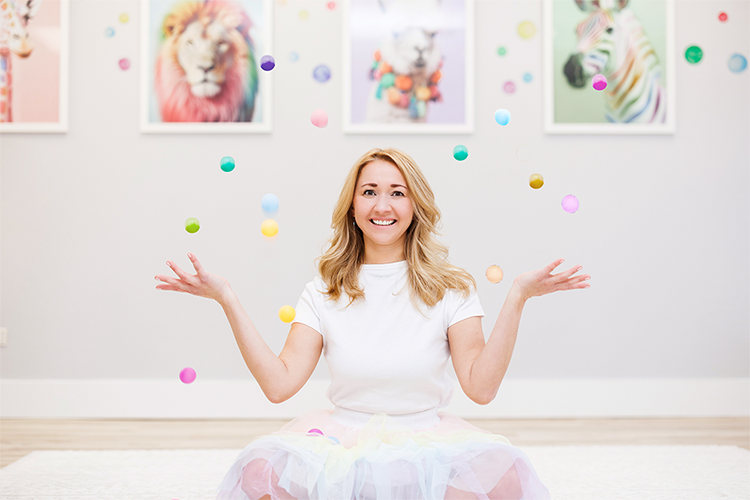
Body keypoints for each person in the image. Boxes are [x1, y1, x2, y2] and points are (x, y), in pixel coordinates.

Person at [155, 148, 591, 500]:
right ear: (352, 206)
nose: (383, 205)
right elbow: (279, 385)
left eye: (397, 193)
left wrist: (517, 297)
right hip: (341, 442)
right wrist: (227, 299)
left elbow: (481, 388)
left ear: (415, 205)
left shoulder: (452, 288)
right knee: (257, 472)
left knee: (507, 476)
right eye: (369, 192)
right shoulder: (325, 288)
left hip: (426, 439)